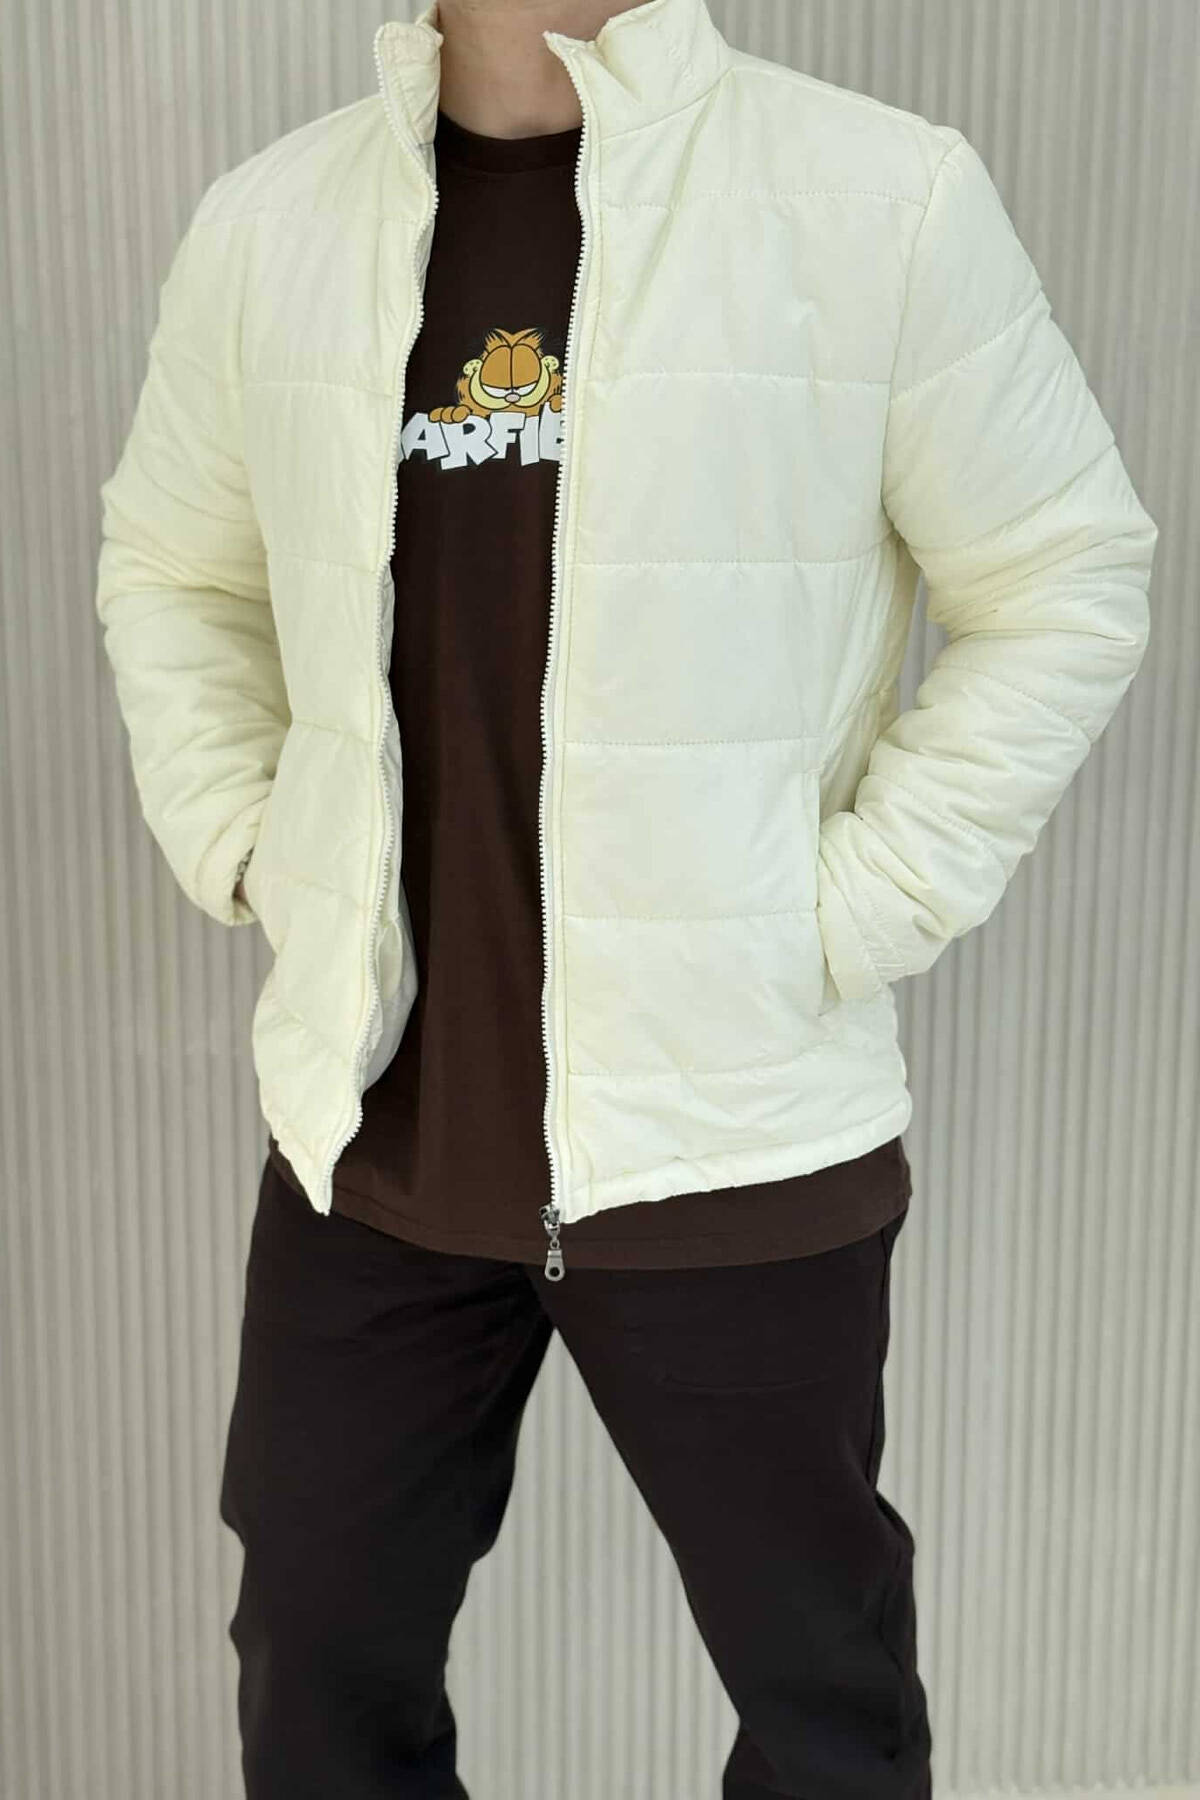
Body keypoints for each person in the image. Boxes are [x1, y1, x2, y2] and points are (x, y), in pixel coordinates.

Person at [93, 0, 1158, 1794]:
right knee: (317, 1682)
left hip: (734, 1130)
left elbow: (1064, 576)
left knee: (823, 1711)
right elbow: (174, 570)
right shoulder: (271, 222)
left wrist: (850, 910)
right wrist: (257, 847)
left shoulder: (879, 197)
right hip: (373, 1133)